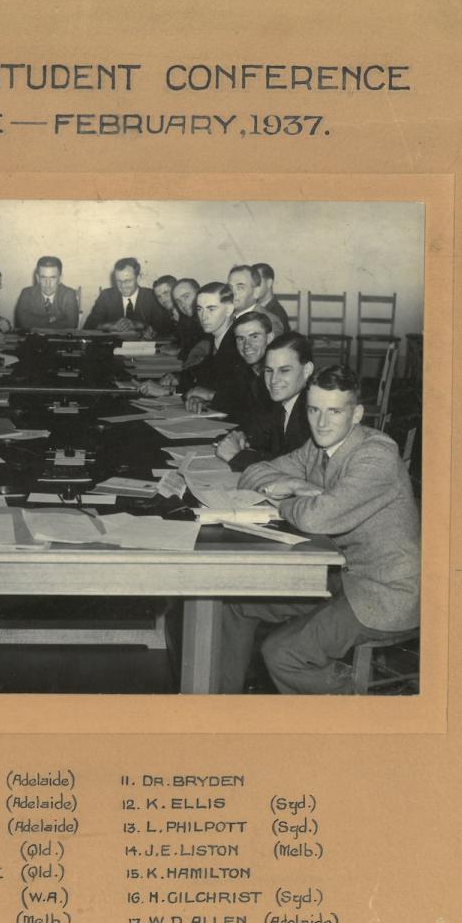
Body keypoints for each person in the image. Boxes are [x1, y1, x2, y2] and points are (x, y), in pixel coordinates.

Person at [218, 364, 420, 695]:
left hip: (386, 590)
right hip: (344, 575)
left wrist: (285, 500)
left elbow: (316, 519)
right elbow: (255, 472)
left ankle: (359, 712)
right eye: (314, 410)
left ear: (356, 415)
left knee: (283, 654)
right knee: (234, 602)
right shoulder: (318, 447)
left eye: (334, 411)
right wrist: (296, 484)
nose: (322, 423)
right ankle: (220, 707)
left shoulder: (376, 455)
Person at [216, 325, 310, 469]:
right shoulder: (284, 402)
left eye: (284, 370)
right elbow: (264, 434)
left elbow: (296, 466)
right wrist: (243, 436)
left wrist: (237, 456)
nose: (273, 380)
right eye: (268, 370)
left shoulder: (313, 409)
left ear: (307, 370)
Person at [181, 282, 249, 415]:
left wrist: (209, 395)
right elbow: (205, 377)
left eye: (211, 309)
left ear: (229, 309)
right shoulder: (217, 338)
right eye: (200, 309)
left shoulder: (239, 342)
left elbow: (244, 398)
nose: (204, 317)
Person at [83, 256, 173, 336]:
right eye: (119, 281)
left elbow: (166, 328)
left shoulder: (151, 296)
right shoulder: (107, 296)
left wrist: (141, 326)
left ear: (138, 278)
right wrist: (112, 326)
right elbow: (88, 326)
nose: (123, 286)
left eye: (128, 281)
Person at [13, 255, 80, 330]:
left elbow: (72, 324)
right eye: (43, 277)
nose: (48, 283)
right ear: (37, 278)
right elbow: (23, 323)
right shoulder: (27, 294)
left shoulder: (69, 294)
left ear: (60, 279)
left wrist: (37, 321)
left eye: (53, 277)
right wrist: (50, 319)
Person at [253, 262, 291, 334]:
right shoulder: (254, 306)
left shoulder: (277, 313)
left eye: (257, 282)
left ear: (269, 283)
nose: (253, 287)